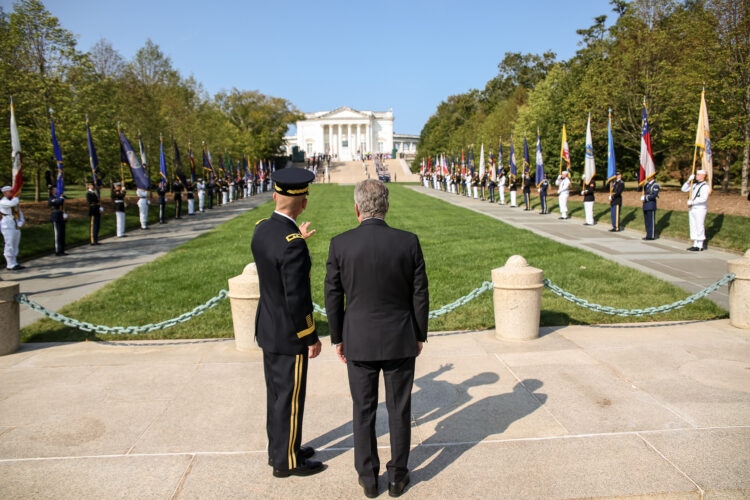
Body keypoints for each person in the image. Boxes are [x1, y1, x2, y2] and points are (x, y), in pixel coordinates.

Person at [325, 179, 429, 499]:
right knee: (399, 409)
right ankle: (397, 476)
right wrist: (419, 333)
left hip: (359, 338)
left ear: (357, 208)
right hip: (400, 337)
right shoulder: (407, 241)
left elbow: (332, 295)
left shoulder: (340, 244)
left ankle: (368, 477)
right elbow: (419, 293)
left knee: (363, 410)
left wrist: (338, 336)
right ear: (386, 206)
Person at [251, 167, 324, 479]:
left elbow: (274, 258)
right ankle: (287, 461)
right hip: (287, 334)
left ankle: (280, 447)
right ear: (303, 203)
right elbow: (297, 299)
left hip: (267, 327)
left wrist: (297, 243)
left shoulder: (263, 228)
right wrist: (310, 336)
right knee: (290, 399)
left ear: (274, 196)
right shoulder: (292, 243)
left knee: (276, 396)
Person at [681, 169, 710, 251]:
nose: (696, 176)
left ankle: (700, 245)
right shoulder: (694, 185)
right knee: (693, 225)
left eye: (698, 174)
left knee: (699, 226)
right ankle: (695, 243)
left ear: (703, 176)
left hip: (700, 208)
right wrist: (688, 181)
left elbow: (703, 198)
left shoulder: (705, 186)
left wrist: (693, 201)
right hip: (692, 208)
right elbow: (683, 189)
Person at [0, 186, 24, 270]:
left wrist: (21, 221)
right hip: (7, 224)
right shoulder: (3, 201)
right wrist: (16, 196)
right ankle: (9, 263)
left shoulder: (13, 200)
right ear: (4, 193)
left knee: (15, 243)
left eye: (12, 191)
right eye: (10, 192)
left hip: (15, 223)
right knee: (9, 243)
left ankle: (14, 262)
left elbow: (19, 212)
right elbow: (12, 204)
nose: (12, 193)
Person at [48, 187, 66, 254]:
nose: (57, 191)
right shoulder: (51, 198)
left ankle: (62, 249)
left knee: (62, 233)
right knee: (57, 234)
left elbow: (63, 202)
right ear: (53, 191)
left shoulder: (60, 197)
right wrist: (61, 198)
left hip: (61, 216)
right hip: (55, 217)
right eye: (56, 190)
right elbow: (57, 202)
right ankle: (58, 250)